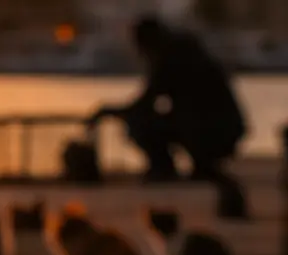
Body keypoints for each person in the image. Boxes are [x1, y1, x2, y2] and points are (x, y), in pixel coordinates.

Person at [87, 15, 246, 183]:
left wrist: (107, 112)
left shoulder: (171, 60)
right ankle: (197, 164)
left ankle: (164, 167)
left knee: (139, 122)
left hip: (212, 130)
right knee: (171, 119)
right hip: (226, 128)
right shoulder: (188, 54)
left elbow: (143, 105)